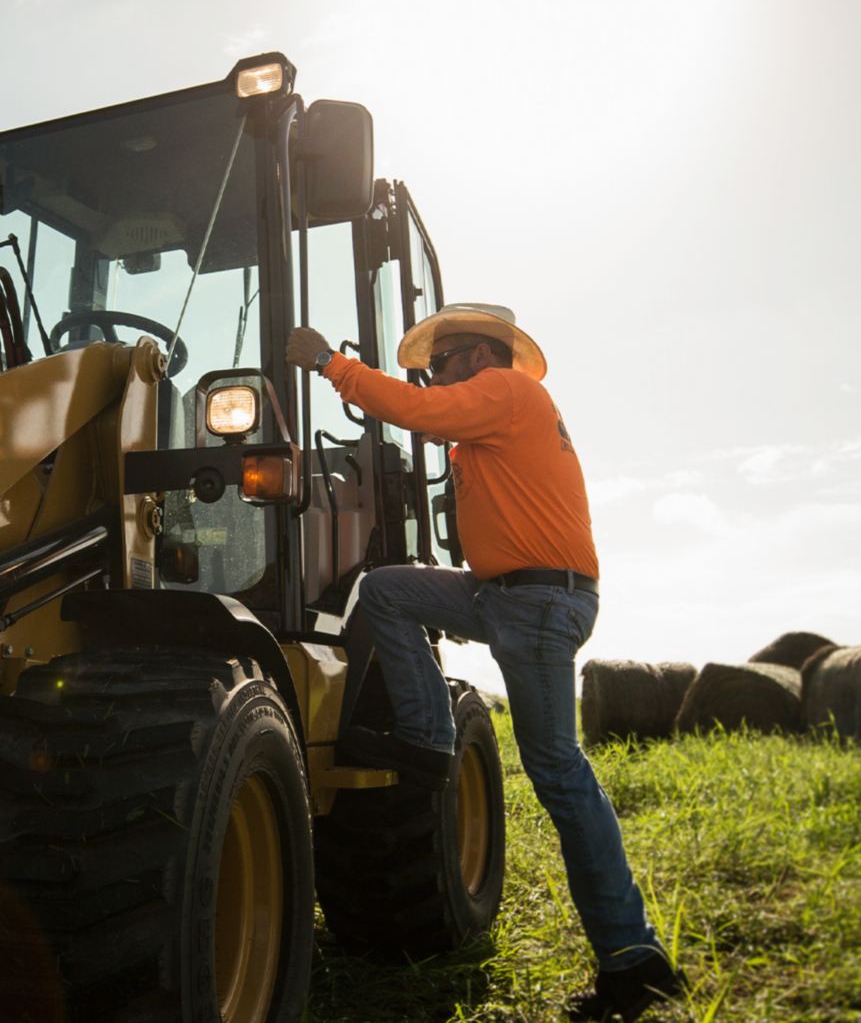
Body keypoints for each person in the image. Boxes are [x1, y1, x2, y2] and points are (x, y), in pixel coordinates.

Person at [286, 303, 683, 1022]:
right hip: (504, 594)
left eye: (441, 363)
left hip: (534, 602)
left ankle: (633, 958)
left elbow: (415, 410)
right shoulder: (490, 421)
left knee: (559, 769)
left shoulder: (506, 392)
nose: (433, 376)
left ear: (477, 356)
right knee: (387, 590)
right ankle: (430, 736)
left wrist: (328, 364)